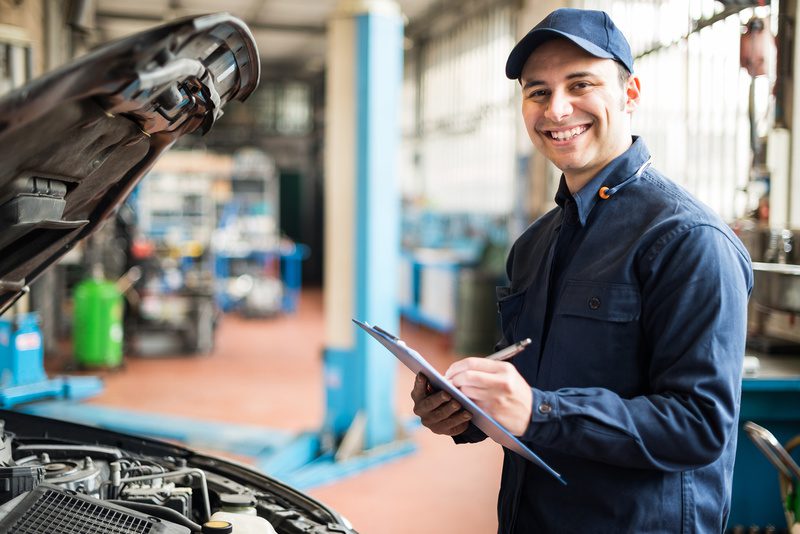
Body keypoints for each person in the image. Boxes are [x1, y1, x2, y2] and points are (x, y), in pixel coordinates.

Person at [410, 8, 753, 533]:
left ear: (630, 93)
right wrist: (468, 411)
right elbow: (533, 386)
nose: (557, 109)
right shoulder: (534, 245)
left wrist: (540, 411)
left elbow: (699, 425)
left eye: (581, 84)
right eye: (538, 91)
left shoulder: (687, 240)